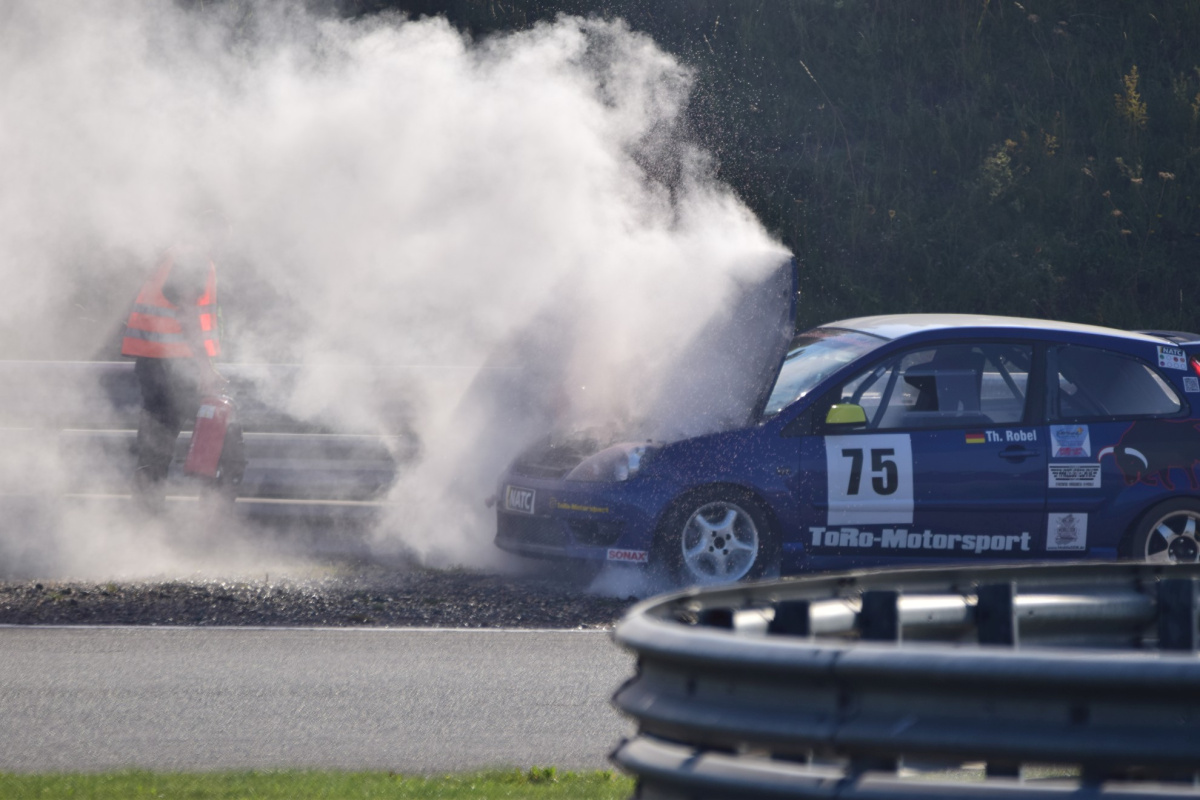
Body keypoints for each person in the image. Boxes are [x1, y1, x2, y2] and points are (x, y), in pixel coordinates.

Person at [121, 245, 243, 511]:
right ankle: (209, 526)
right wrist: (205, 369)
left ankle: (146, 527)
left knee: (154, 452)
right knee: (226, 447)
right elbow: (187, 315)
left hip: (157, 366)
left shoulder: (174, 255)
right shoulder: (194, 259)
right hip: (176, 369)